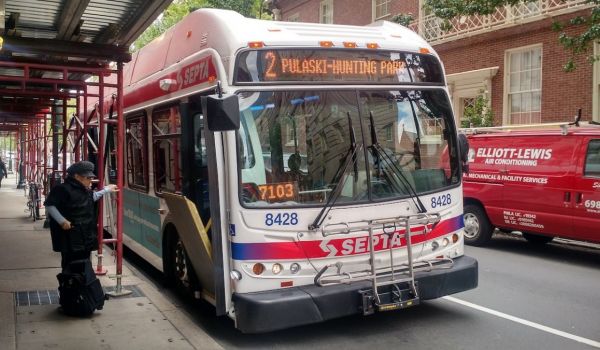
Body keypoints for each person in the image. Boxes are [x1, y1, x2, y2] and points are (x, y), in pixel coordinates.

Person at [44, 161, 117, 268]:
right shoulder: (62, 189)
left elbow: (92, 197)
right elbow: (50, 205)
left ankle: (83, 283)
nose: (91, 181)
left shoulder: (83, 189)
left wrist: (106, 190)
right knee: (71, 267)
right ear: (77, 177)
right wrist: (62, 221)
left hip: (85, 237)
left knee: (85, 266)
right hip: (70, 238)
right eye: (88, 178)